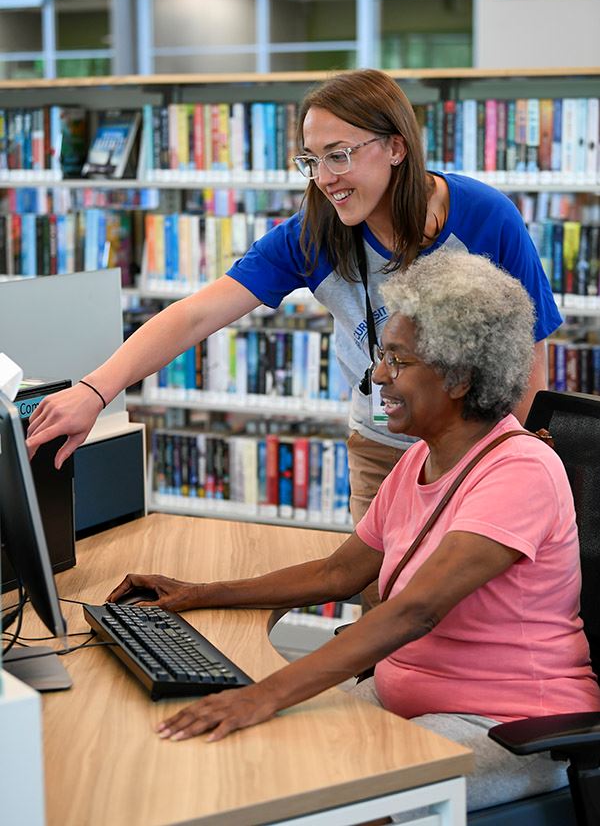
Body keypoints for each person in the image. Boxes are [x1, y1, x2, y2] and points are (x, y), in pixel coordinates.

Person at [26, 69, 561, 607]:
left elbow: (530, 362)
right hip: (384, 447)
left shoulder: (486, 218)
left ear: (396, 147)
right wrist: (94, 392)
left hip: (479, 449)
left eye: (340, 154)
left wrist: (504, 465)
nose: (324, 178)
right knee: (387, 610)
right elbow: (195, 316)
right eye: (311, 159)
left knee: (474, 615)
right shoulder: (314, 233)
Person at [106, 250, 600, 812]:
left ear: (460, 377)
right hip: (402, 703)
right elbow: (338, 573)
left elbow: (417, 610)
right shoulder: (421, 460)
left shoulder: (521, 471)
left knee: (316, 796)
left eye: (398, 359)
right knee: (246, 763)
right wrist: (200, 593)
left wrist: (262, 696)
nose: (379, 375)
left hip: (509, 726)